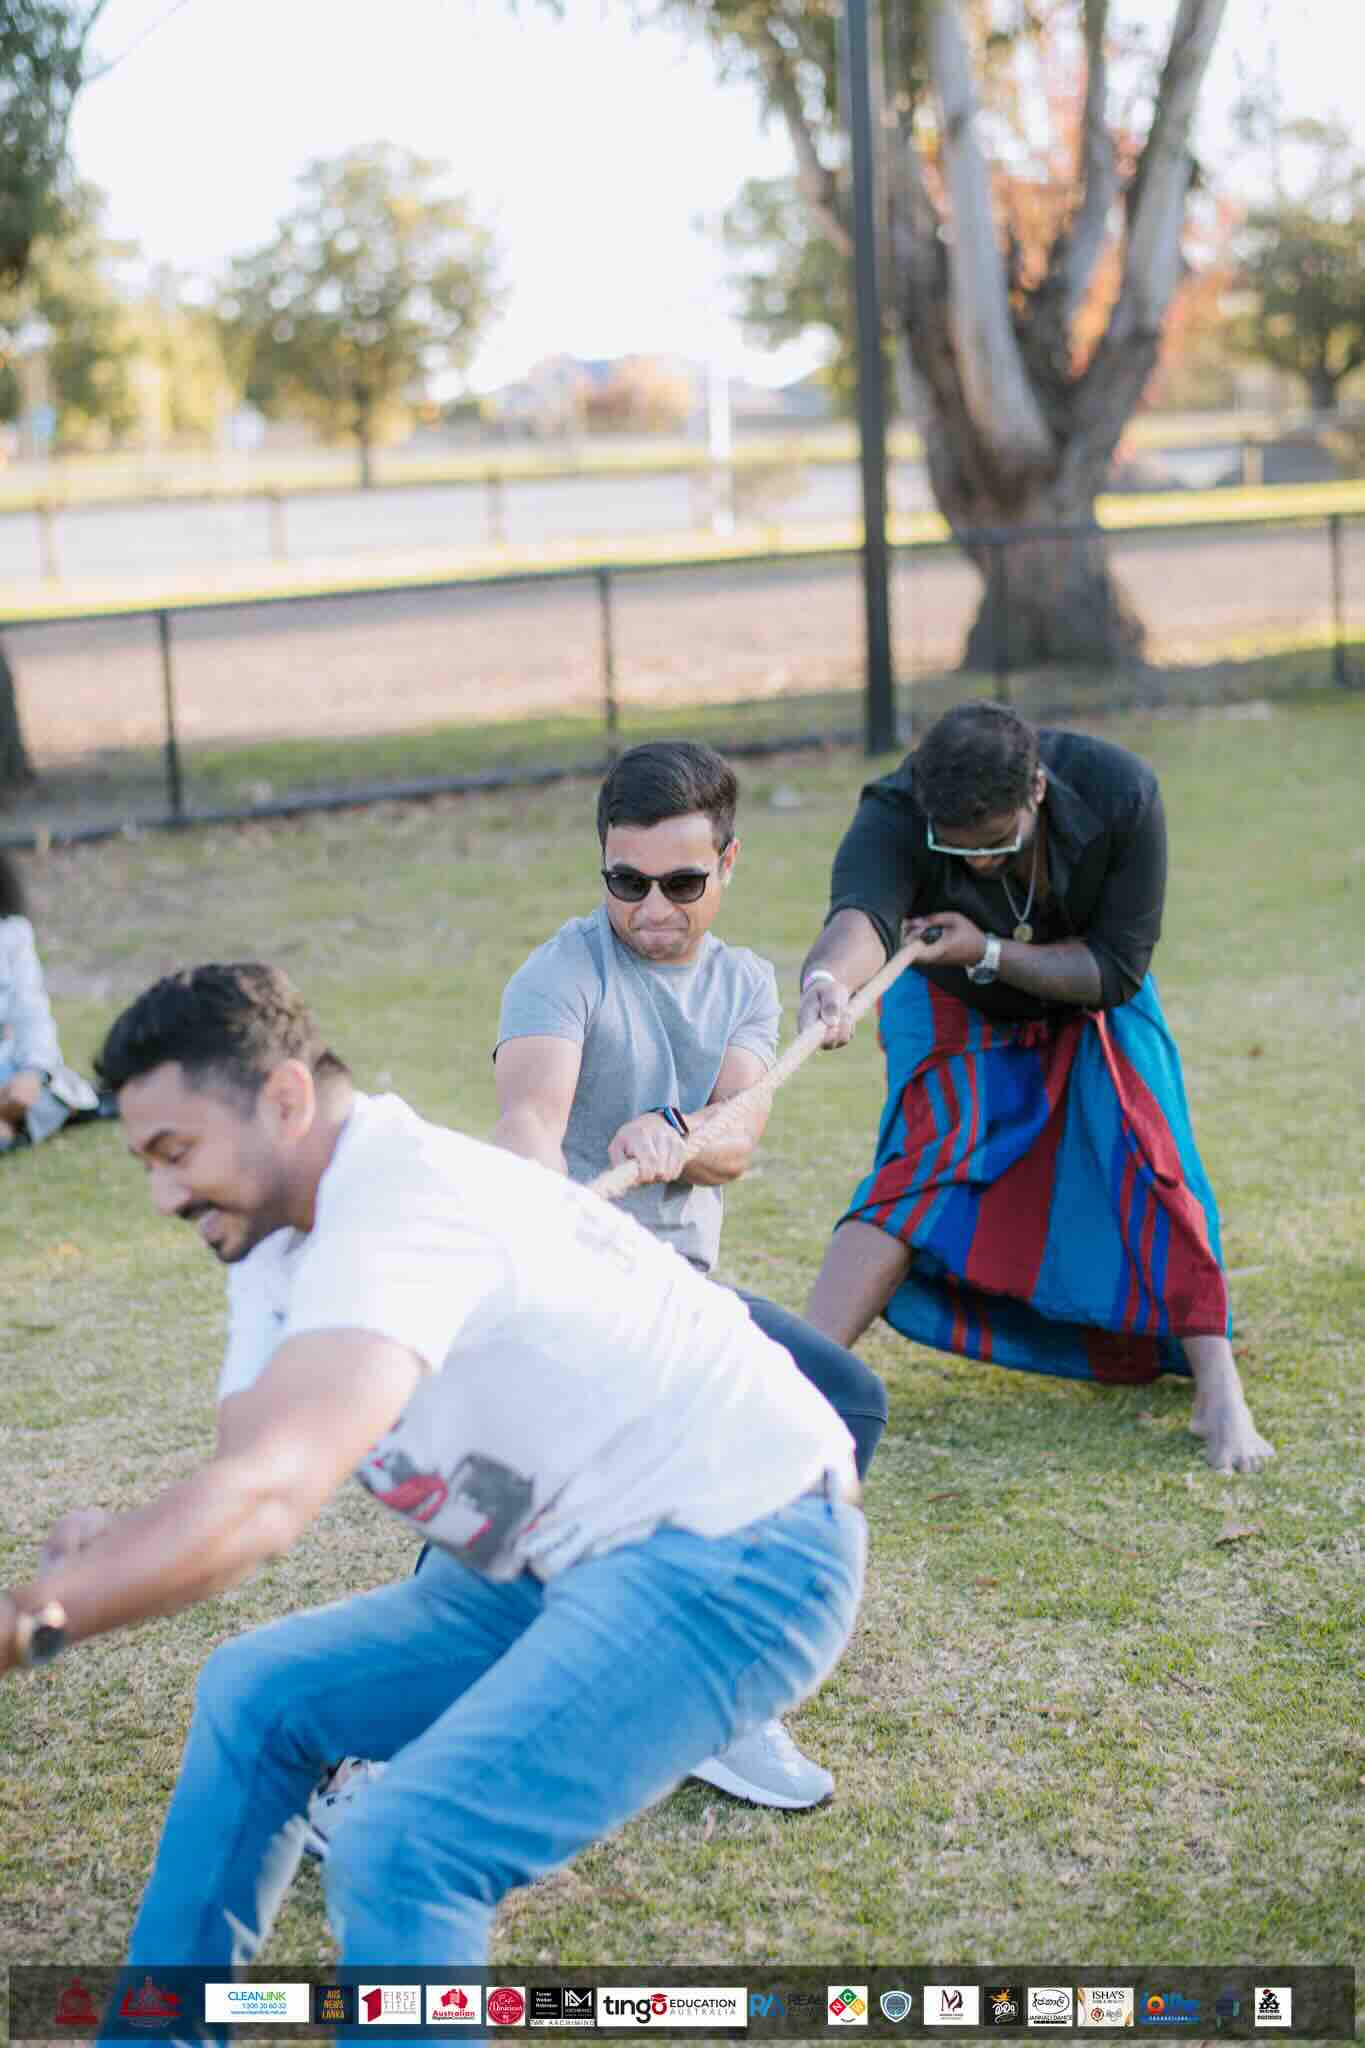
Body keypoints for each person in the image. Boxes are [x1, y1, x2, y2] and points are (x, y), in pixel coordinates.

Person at [6, 963, 863, 1994]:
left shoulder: (398, 1197)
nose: (163, 1193)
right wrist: (129, 1540)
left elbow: (268, 1502)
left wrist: (35, 1615)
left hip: (738, 1543)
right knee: (256, 1692)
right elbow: (253, 1463)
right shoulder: (273, 1236)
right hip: (553, 1556)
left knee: (404, 1845)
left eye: (175, 1152)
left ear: (283, 1098)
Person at [485, 738, 887, 1810]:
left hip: (679, 1290)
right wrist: (551, 1225)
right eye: (626, 880)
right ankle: (375, 1748)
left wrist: (677, 1131)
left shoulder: (746, 982)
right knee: (532, 1516)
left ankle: (715, 1692)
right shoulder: (561, 970)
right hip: (573, 1280)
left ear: (729, 863)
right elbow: (528, 1121)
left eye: (681, 882)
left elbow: (738, 1135)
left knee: (839, 1403)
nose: (651, 908)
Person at [795, 701, 1273, 1476]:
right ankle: (794, 1386)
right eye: (954, 848)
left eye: (994, 846)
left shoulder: (1121, 794)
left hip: (1087, 984)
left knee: (1145, 1137)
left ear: (1037, 792)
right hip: (948, 992)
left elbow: (1115, 970)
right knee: (928, 1153)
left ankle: (1218, 1386)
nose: (977, 865)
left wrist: (989, 948)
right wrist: (827, 982)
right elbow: (861, 915)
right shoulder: (894, 809)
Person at [0, 849, 100, 1151]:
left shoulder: (12, 934)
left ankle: (21, 1120)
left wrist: (32, 1074)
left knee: (47, 1093)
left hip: (9, 1075)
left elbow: (32, 1014)